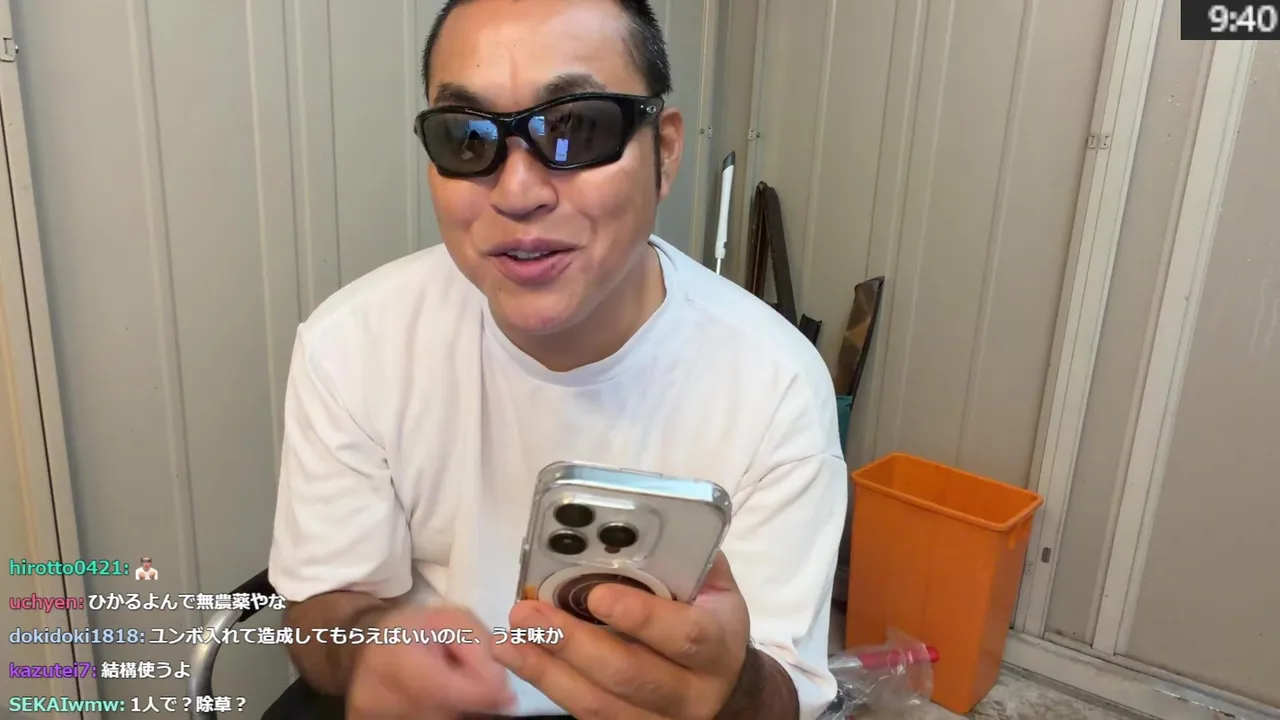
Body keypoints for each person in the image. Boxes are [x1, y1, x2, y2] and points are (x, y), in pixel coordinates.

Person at [267, 0, 846, 718]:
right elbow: (323, 607)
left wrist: (731, 691)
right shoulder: (353, 345)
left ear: (665, 152)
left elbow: (782, 689)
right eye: (467, 137)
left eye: (577, 128)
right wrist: (372, 650)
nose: (517, 194)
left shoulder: (776, 383)